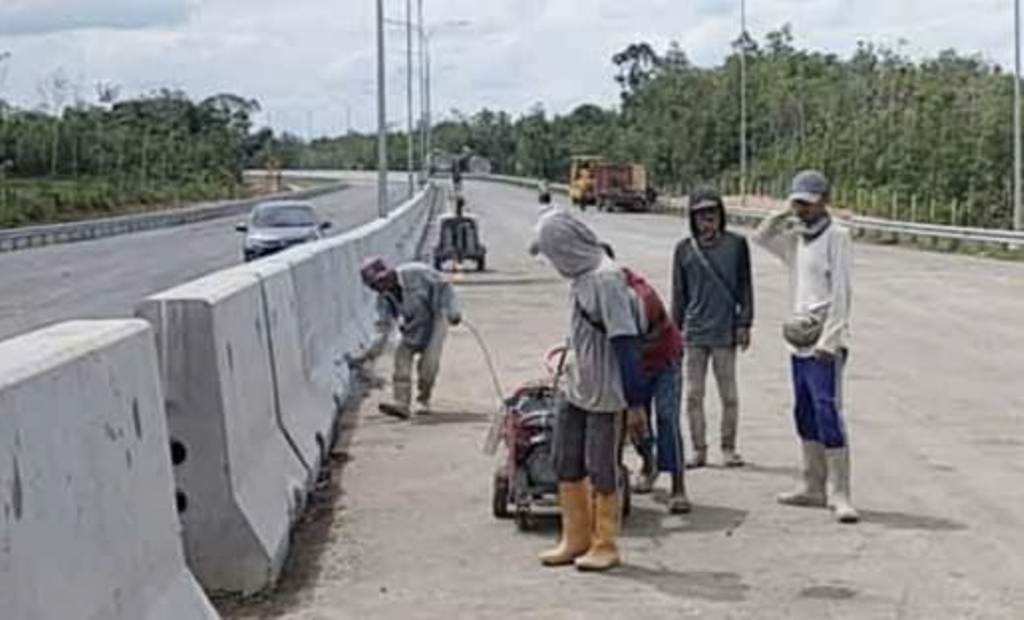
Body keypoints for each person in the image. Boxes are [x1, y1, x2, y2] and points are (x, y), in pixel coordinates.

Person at [534, 210, 647, 572]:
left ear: (565, 248)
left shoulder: (606, 279)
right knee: (565, 460)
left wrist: (634, 403)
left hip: (605, 390)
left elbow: (626, 343)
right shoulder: (581, 279)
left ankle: (605, 542)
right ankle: (575, 537)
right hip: (576, 383)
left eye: (551, 254)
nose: (551, 262)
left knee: (601, 467)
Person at [753, 170, 859, 524]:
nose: (804, 210)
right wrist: (783, 212)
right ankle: (812, 484)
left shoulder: (838, 237)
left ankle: (839, 491)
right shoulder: (797, 240)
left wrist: (830, 341)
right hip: (797, 339)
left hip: (824, 342)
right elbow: (762, 237)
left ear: (824, 201)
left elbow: (843, 292)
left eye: (809, 203)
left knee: (828, 410)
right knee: (804, 411)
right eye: (799, 202)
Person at [601, 244, 690, 514]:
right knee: (632, 423)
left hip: (663, 360)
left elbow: (629, 344)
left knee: (666, 417)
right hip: (632, 361)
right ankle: (648, 463)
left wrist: (634, 400)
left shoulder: (640, 297)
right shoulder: (598, 292)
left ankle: (678, 486)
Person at [671, 188, 754, 469]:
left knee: (729, 395)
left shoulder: (737, 245)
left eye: (713, 213)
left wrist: (745, 323)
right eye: (701, 215)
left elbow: (745, 287)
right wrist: (673, 334)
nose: (708, 220)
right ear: (692, 219)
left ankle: (728, 447)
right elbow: (678, 295)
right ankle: (698, 449)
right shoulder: (683, 249)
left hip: (725, 331)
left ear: (721, 215)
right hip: (694, 333)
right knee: (694, 395)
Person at [360, 258, 462, 420]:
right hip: (412, 324)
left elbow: (445, 288)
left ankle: (424, 398)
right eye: (373, 286)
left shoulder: (417, 272)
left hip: (435, 318)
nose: (378, 287)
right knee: (402, 359)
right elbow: (383, 327)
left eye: (379, 282)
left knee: (429, 364)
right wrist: (369, 354)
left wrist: (453, 311)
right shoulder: (384, 299)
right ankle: (402, 403)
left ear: (389, 273)